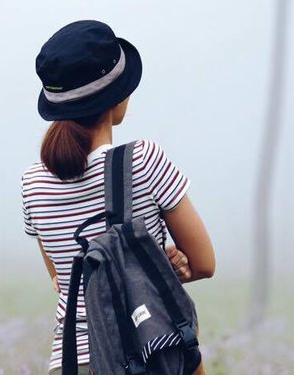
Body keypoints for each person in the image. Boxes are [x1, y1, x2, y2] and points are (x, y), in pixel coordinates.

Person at [22, 20, 215, 375]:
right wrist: (156, 267)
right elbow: (204, 263)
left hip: (71, 361)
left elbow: (64, 281)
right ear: (116, 96)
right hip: (149, 351)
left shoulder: (32, 184)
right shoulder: (143, 160)